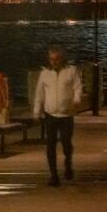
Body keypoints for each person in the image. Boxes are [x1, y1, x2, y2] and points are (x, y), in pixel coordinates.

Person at [33, 47, 83, 186]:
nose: (54, 62)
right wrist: (37, 112)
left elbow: (78, 87)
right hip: (50, 114)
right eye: (51, 59)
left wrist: (77, 99)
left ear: (62, 59)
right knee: (50, 145)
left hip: (66, 114)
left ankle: (68, 163)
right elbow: (39, 94)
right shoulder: (45, 73)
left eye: (56, 59)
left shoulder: (71, 71)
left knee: (66, 142)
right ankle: (54, 175)